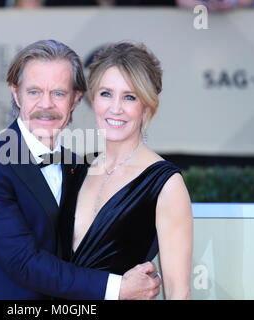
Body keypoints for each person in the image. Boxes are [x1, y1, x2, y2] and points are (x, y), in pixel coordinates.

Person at [0, 39, 161, 300]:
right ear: (15, 93)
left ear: (75, 99)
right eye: (34, 92)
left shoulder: (78, 165)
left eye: (58, 93)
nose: (46, 105)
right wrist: (118, 288)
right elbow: (24, 263)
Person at [59, 41, 193, 299]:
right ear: (93, 98)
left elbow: (178, 293)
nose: (115, 108)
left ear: (146, 106)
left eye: (129, 97)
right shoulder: (76, 170)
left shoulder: (165, 184)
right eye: (106, 93)